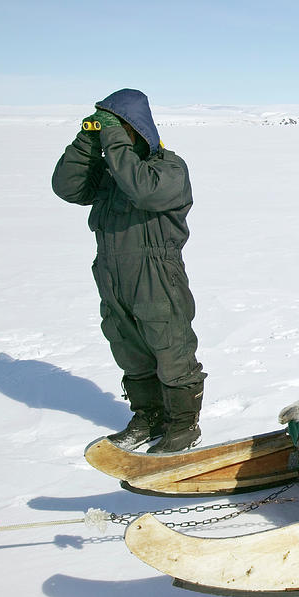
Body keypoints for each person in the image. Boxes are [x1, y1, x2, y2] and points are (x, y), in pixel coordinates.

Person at [52, 89, 207, 453]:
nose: (110, 135)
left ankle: (183, 425)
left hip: (156, 274)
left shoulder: (168, 168)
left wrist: (114, 138)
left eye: (119, 128)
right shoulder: (113, 174)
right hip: (111, 273)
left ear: (137, 129)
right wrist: (85, 142)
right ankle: (148, 416)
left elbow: (145, 192)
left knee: (171, 347)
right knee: (127, 347)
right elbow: (67, 187)